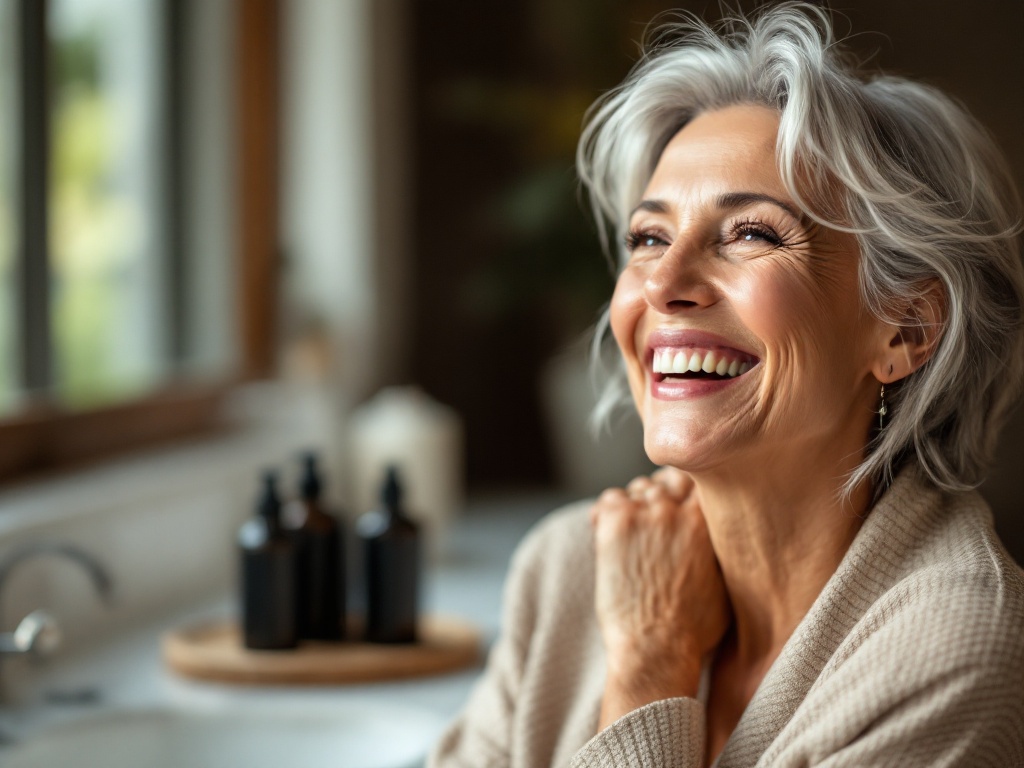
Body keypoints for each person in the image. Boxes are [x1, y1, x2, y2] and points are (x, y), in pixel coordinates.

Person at [429, 3, 1024, 766]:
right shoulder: (567, 570)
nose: (665, 285)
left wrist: (649, 667)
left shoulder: (953, 650)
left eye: (751, 233)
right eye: (648, 238)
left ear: (904, 331)